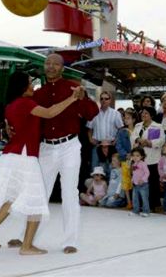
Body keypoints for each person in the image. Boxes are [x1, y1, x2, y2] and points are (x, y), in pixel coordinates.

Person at [0, 71, 81, 255]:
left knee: (11, 198)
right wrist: (72, 98)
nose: (33, 86)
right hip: (25, 155)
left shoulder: (11, 106)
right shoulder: (26, 103)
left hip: (12, 155)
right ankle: (27, 246)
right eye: (30, 83)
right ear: (22, 87)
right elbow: (49, 112)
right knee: (36, 198)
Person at [8, 53, 99, 254]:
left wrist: (83, 98)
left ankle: (70, 241)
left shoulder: (74, 87)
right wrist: (12, 128)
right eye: (47, 63)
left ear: (62, 68)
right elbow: (26, 115)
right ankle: (27, 239)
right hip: (46, 148)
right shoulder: (37, 93)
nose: (50, 66)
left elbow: (92, 113)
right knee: (38, 193)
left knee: (69, 192)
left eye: (55, 64)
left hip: (69, 146)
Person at [132, 106, 165, 211]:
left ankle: (152, 205)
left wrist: (149, 142)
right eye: (142, 113)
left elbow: (161, 140)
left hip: (152, 158)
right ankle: (141, 204)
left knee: (152, 182)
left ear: (151, 115)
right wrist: (138, 139)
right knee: (140, 181)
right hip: (140, 160)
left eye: (146, 113)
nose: (143, 115)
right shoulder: (138, 126)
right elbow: (132, 137)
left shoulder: (158, 126)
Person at [87, 91, 123, 171]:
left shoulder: (116, 113)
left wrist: (116, 140)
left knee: (112, 171)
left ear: (110, 100)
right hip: (98, 146)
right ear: (99, 100)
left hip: (112, 146)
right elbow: (89, 128)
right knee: (96, 170)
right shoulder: (94, 113)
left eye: (106, 98)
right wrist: (90, 139)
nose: (104, 100)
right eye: (102, 98)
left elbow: (121, 129)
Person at [115, 109, 138, 209]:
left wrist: (136, 155)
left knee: (136, 180)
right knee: (126, 180)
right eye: (124, 118)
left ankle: (137, 201)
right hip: (125, 159)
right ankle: (129, 202)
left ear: (133, 119)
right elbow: (118, 145)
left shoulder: (138, 130)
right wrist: (126, 154)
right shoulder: (121, 132)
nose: (125, 120)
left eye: (128, 118)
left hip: (137, 159)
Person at [129, 147, 150, 217]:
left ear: (142, 156)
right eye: (133, 155)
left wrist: (143, 179)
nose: (135, 157)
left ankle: (146, 211)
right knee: (135, 198)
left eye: (137, 155)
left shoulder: (143, 163)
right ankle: (136, 210)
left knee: (144, 198)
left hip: (143, 185)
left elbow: (147, 173)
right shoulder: (133, 164)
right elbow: (134, 173)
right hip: (135, 185)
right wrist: (132, 180)